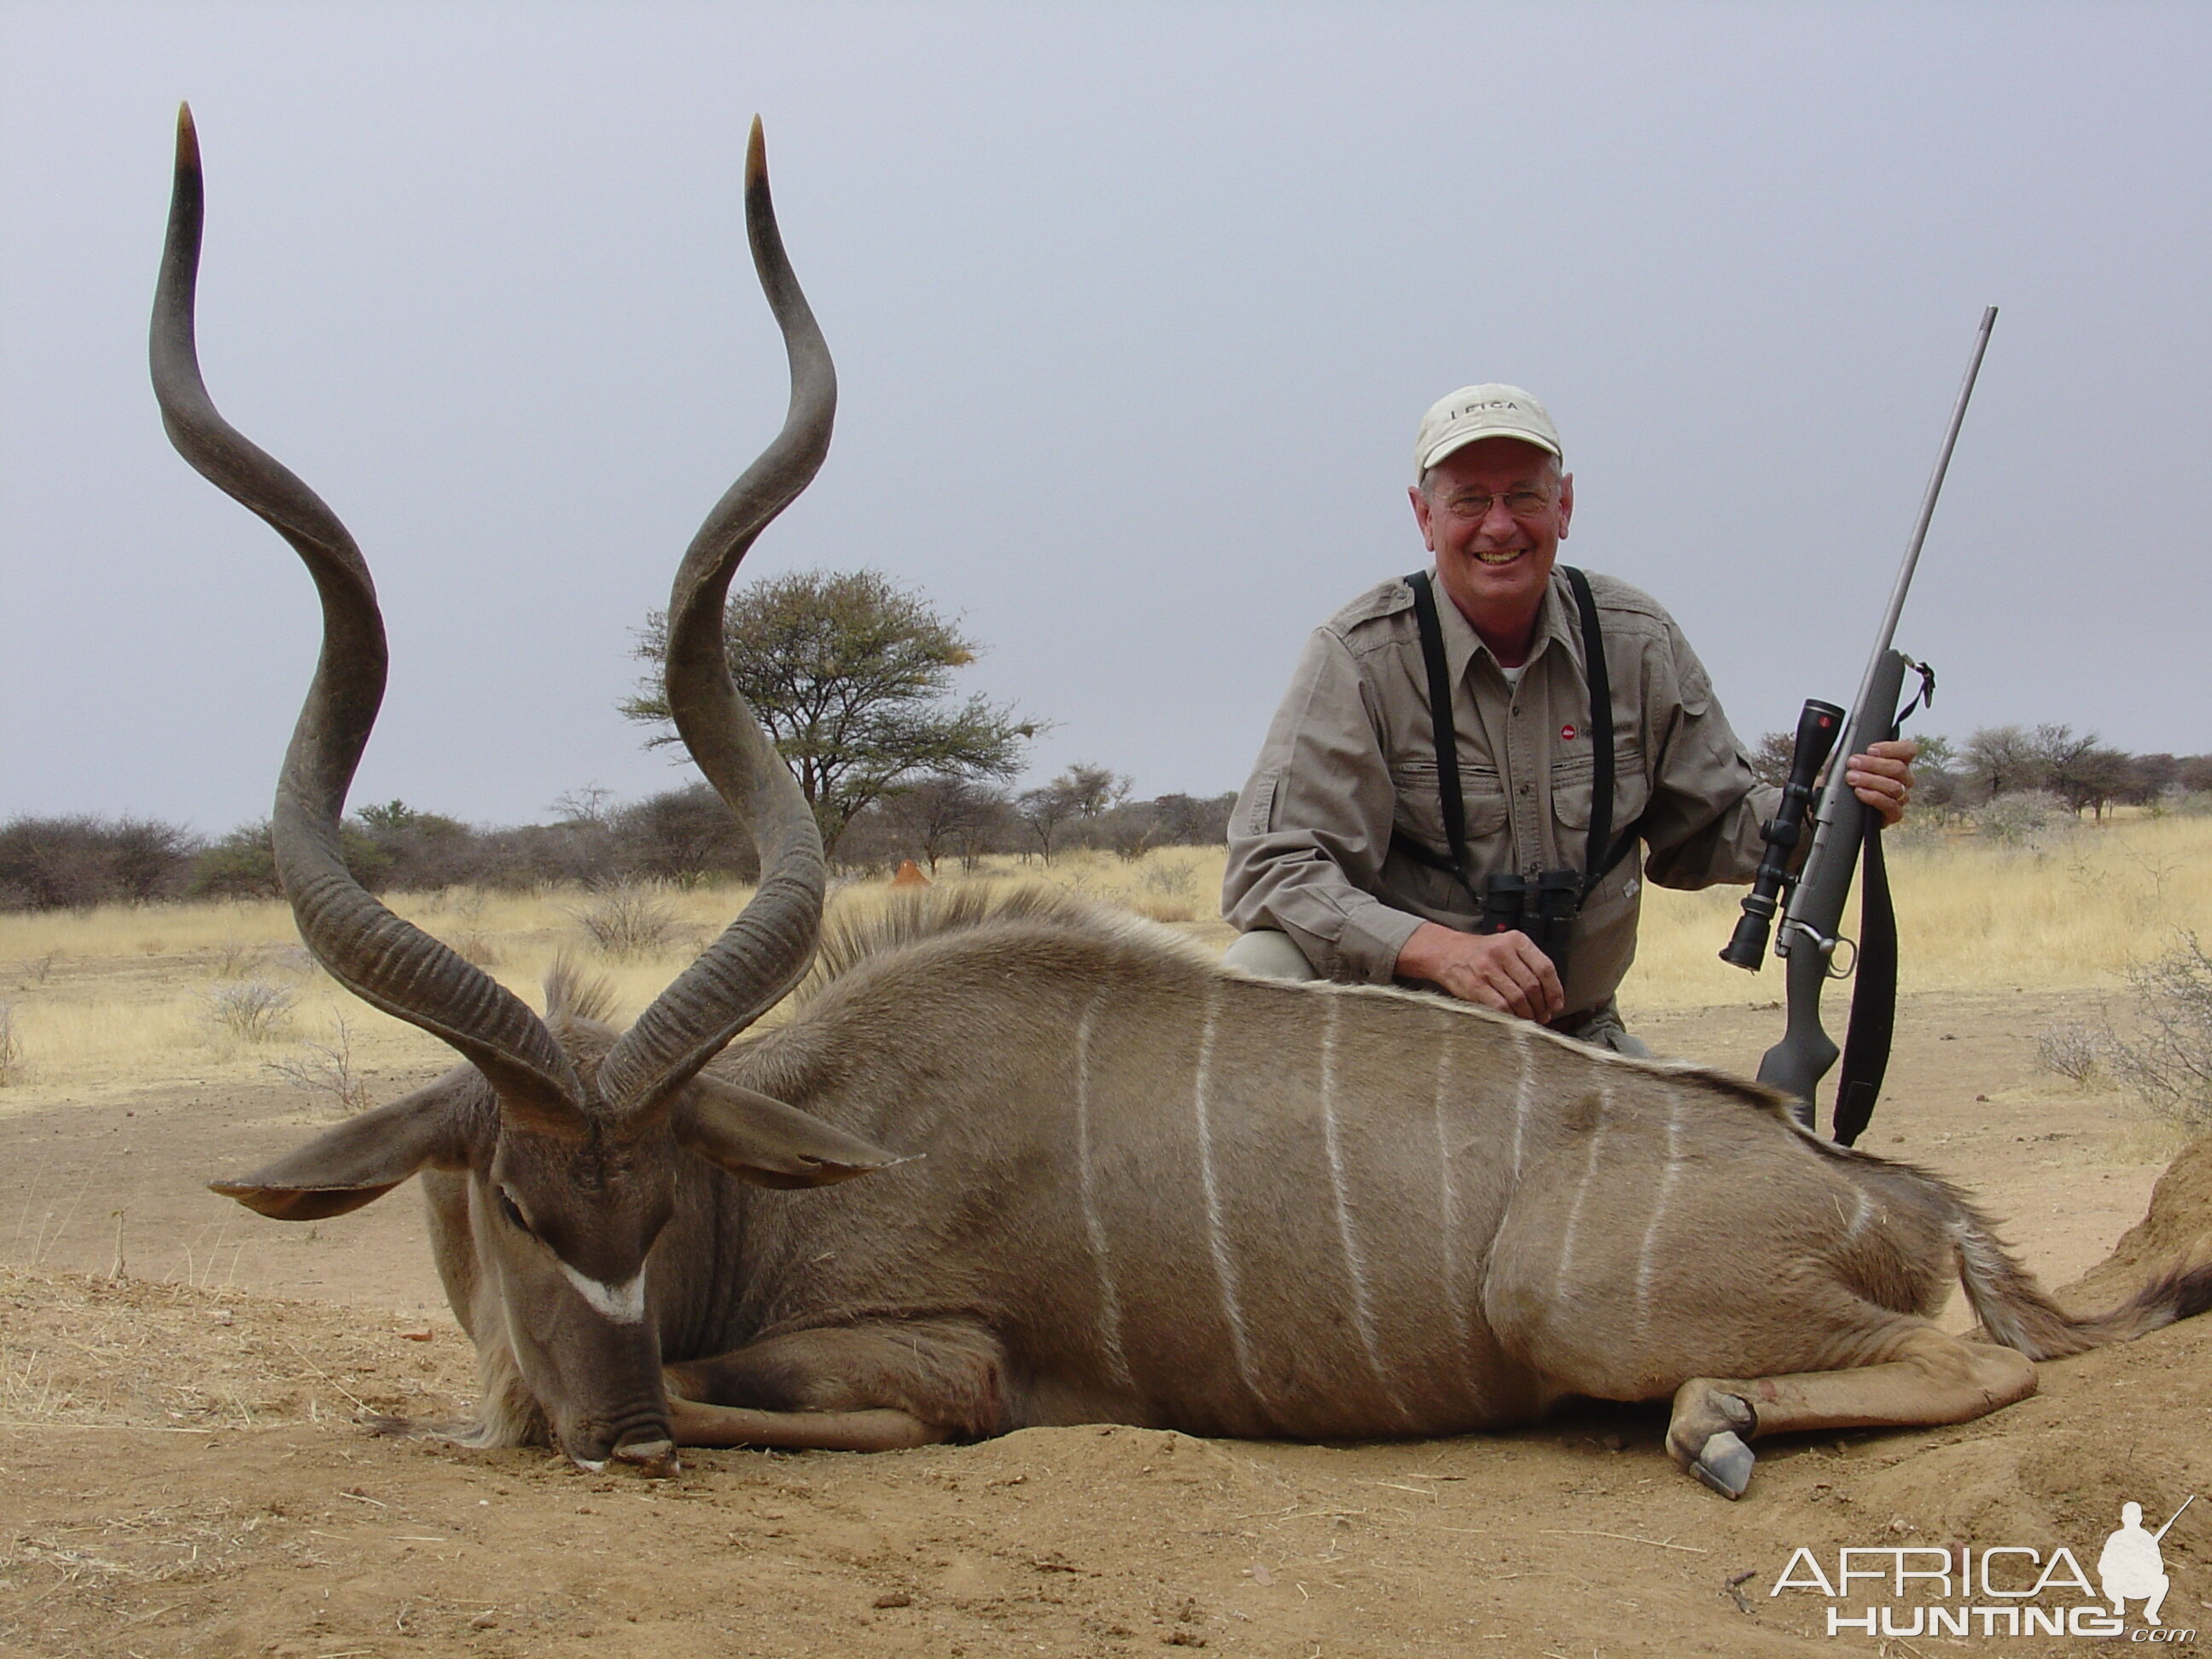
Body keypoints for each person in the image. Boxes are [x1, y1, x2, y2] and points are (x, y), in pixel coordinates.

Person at [1220, 384, 1915, 1053]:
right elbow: (1271, 871)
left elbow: (1710, 829)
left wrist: (1831, 810)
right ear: (1425, 518)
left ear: (1565, 505)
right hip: (1406, 1041)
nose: (1500, 525)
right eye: (1470, 501)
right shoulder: (1359, 657)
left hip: (1577, 1040)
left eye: (1525, 495)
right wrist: (1439, 952)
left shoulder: (1637, 640)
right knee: (1259, 965)